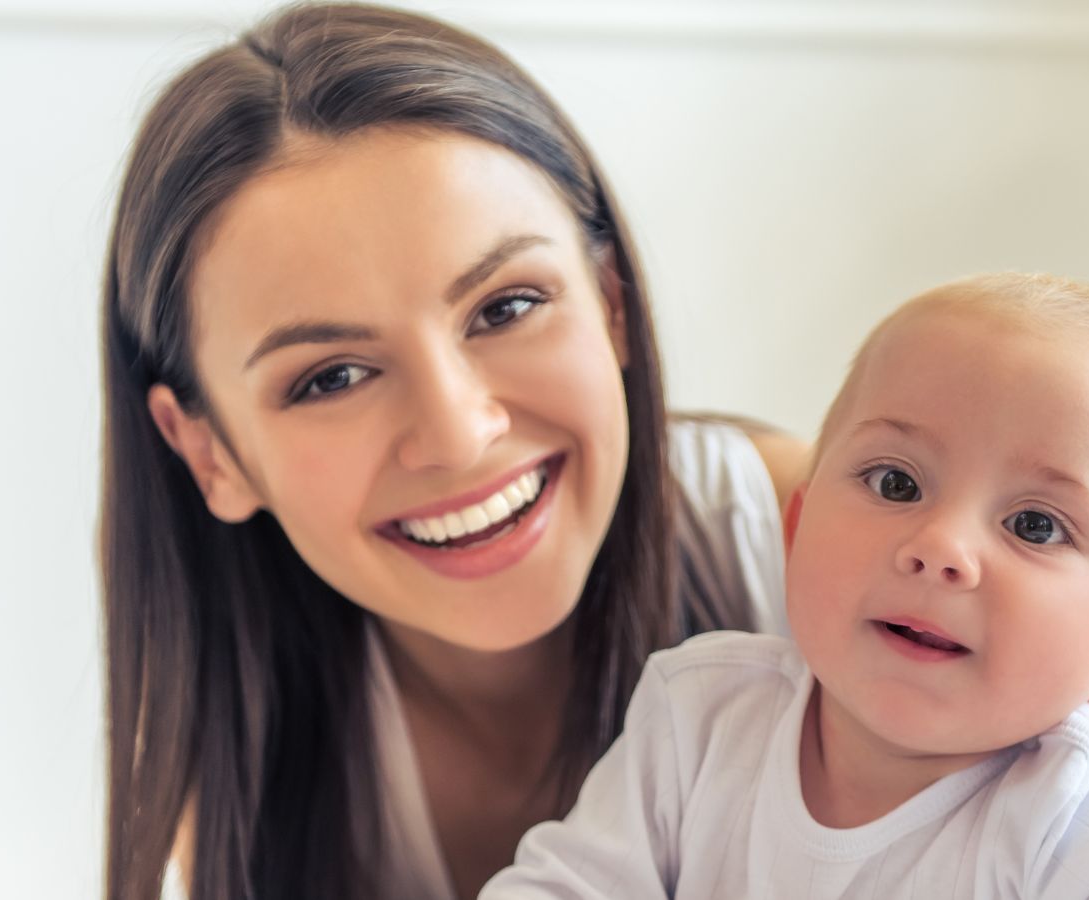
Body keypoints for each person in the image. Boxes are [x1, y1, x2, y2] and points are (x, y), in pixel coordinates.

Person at [98, 4, 806, 898]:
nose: (459, 434)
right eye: (332, 377)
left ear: (610, 303)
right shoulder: (238, 742)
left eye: (506, 307)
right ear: (209, 454)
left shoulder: (808, 539)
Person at [481, 273, 1089, 898]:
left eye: (1034, 526)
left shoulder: (1081, 814)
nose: (941, 548)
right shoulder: (700, 716)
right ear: (796, 531)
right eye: (895, 482)